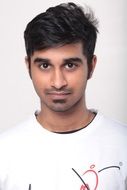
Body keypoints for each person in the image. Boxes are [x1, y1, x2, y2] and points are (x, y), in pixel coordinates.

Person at [0, 2, 127, 190]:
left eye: (70, 65)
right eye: (44, 65)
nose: (58, 82)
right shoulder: (4, 152)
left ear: (91, 66)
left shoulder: (123, 145)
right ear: (28, 66)